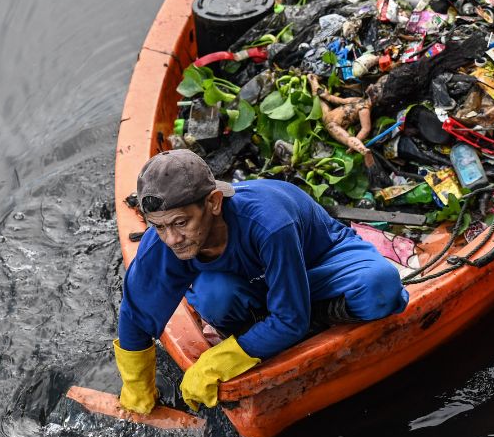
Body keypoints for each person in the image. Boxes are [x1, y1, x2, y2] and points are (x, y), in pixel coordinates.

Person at [114, 149, 409, 414]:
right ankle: (267, 330)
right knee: (214, 297)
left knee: (380, 286)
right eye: (159, 226)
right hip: (257, 287)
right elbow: (137, 316)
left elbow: (291, 319)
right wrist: (138, 392)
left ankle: (280, 328)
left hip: (317, 267)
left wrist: (220, 362)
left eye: (181, 222)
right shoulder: (161, 244)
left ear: (214, 202)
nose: (172, 239)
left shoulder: (270, 223)